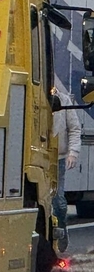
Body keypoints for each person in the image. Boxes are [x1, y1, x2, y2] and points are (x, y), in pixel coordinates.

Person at [52, 88, 81, 254]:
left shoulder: (63, 100)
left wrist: (73, 153)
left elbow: (75, 128)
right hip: (36, 156)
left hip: (58, 158)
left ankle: (62, 229)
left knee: (59, 201)